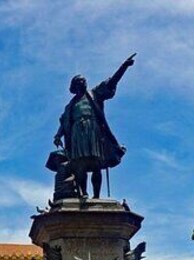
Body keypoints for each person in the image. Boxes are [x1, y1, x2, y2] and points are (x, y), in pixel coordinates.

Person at [54, 54, 135, 198]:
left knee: (97, 164)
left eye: (84, 81)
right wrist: (58, 135)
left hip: (93, 131)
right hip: (77, 134)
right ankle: (84, 193)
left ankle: (96, 196)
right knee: (80, 166)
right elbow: (64, 121)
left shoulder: (94, 95)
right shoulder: (70, 106)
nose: (83, 83)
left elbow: (110, 83)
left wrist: (123, 67)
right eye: (80, 81)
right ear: (75, 86)